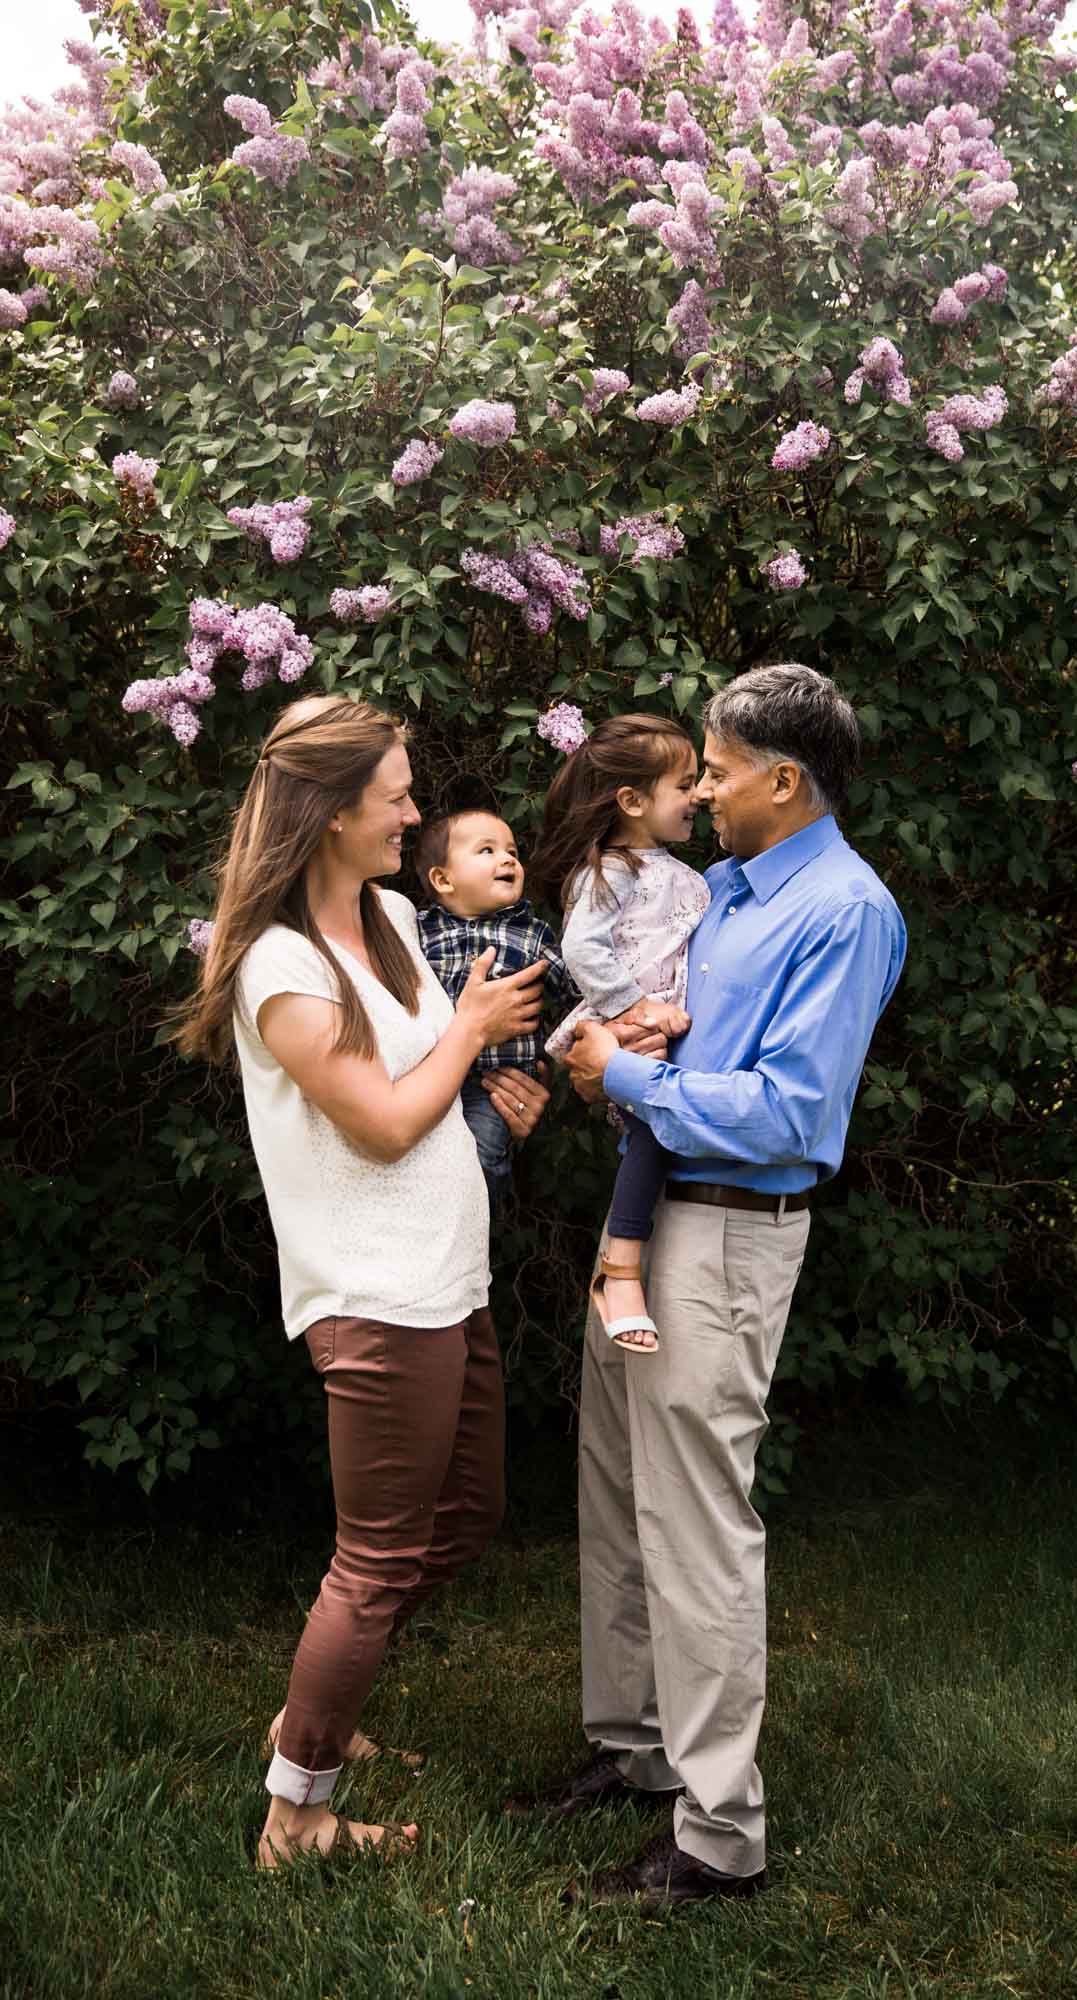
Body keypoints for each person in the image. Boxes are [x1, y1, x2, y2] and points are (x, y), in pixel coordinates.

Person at [533, 664, 908, 1910]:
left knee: (695, 1524)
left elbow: (792, 1109)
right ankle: (636, 1750)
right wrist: (609, 1061)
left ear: (783, 778)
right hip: (651, 1218)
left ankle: (717, 1837)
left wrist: (631, 1082)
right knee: (618, 1492)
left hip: (730, 1229)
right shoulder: (730, 893)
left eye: (718, 767)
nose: (702, 786)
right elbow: (670, 1036)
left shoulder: (842, 910)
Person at [174, 694, 554, 1869]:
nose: (412, 809)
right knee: (377, 1557)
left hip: (448, 1273)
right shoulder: (278, 967)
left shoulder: (387, 918)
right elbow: (385, 1121)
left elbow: (423, 1083)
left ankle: (313, 1718)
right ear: (332, 811)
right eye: (393, 792)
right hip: (374, 1294)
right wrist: (474, 1030)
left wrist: (497, 1088)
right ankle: (299, 1811)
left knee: (466, 1515)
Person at [531, 714, 711, 1355]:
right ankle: (621, 1273)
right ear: (632, 801)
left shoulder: (678, 871)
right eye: (685, 784)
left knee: (656, 1136)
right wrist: (635, 1008)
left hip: (659, 1023)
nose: (700, 796)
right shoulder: (611, 869)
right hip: (625, 1020)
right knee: (651, 1136)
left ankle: (629, 1263)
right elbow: (583, 948)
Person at [415, 806, 581, 1217]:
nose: (507, 859)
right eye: (486, 851)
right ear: (443, 879)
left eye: (511, 851)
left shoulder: (531, 933)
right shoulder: (418, 931)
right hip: (428, 1076)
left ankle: (468, 1228)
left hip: (497, 1084)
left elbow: (575, 988)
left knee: (480, 1159)